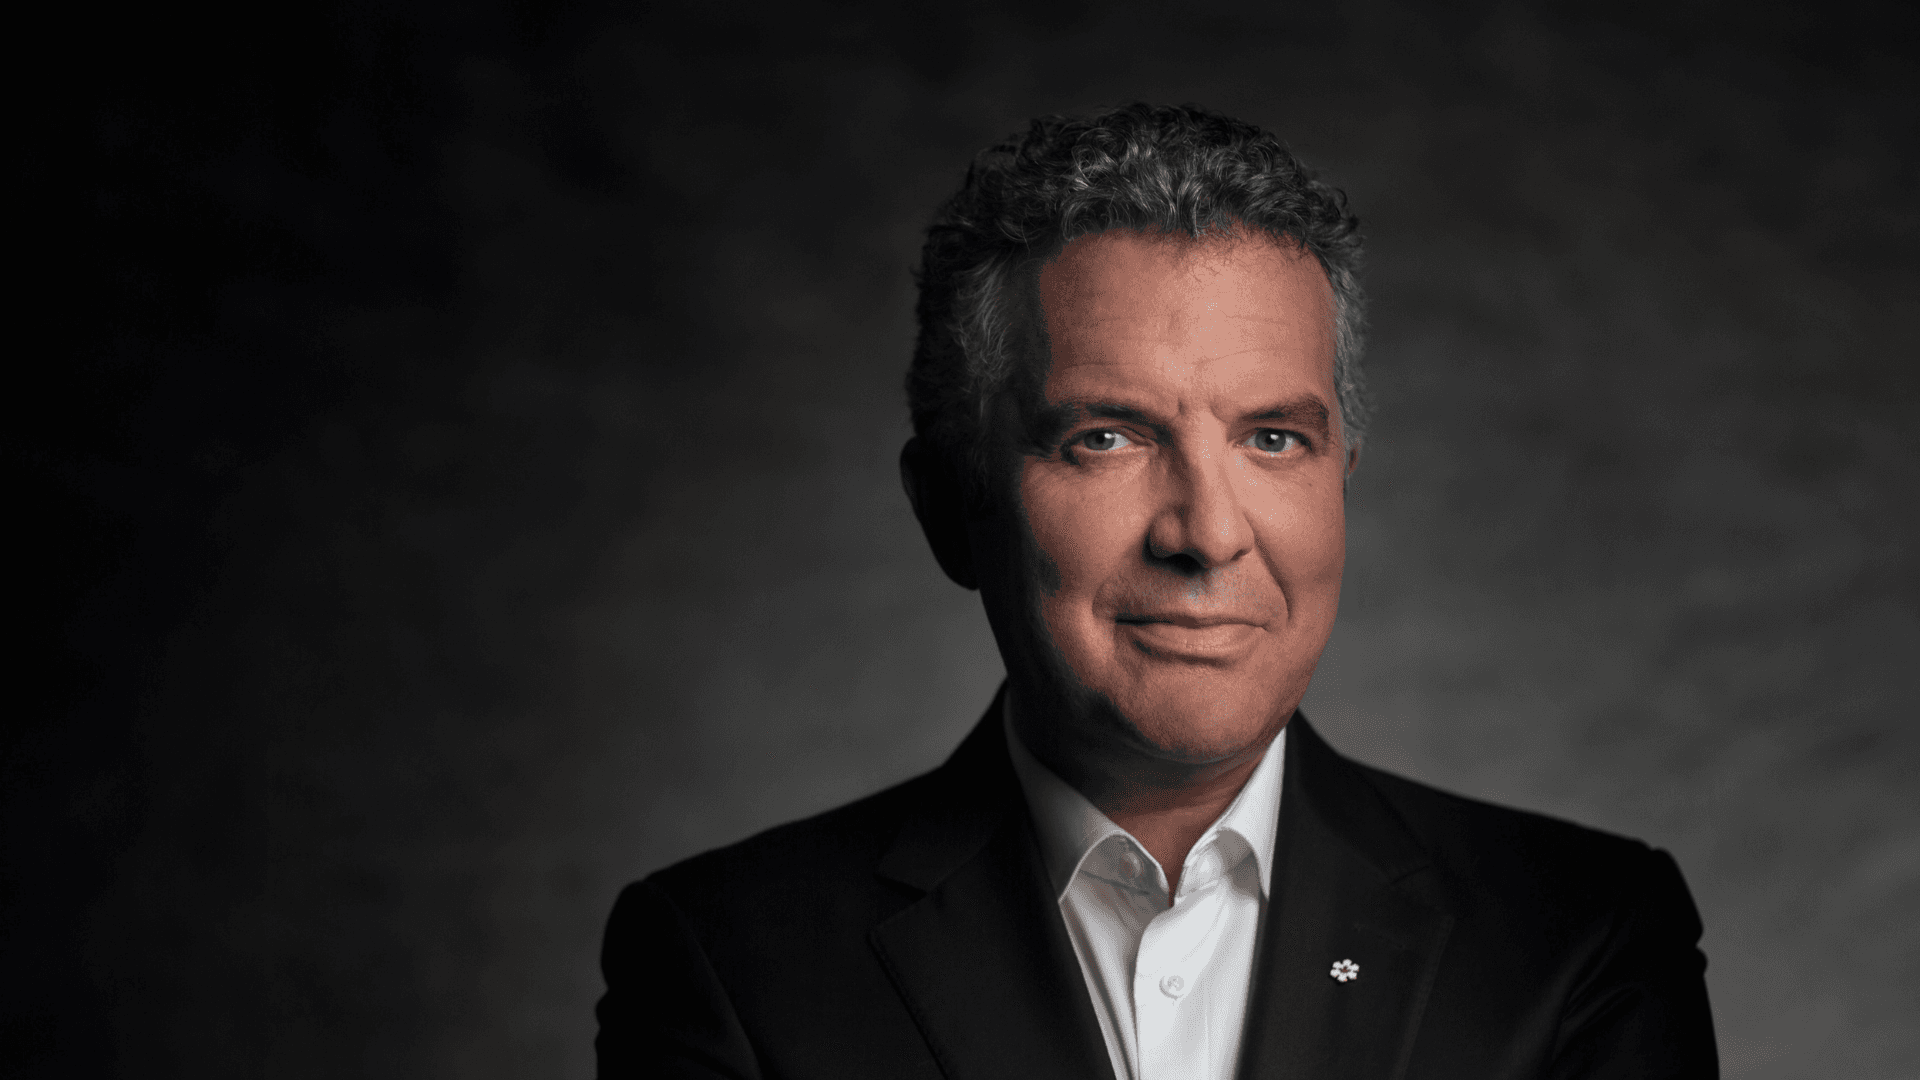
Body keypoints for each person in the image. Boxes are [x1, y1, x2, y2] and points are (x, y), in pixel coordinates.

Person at [595, 103, 1717, 1080]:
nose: (1208, 533)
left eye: (1273, 439)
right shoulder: (730, 965)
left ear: (1343, 480)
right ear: (948, 506)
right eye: (1106, 437)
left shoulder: (1584, 940)